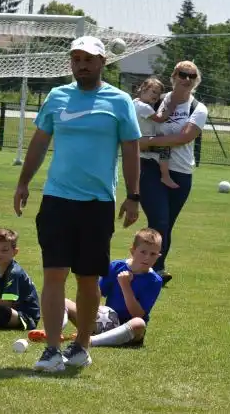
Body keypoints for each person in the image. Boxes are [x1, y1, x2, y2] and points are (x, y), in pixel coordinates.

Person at [15, 35, 141, 373]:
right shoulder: (57, 97)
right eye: (76, 59)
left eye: (89, 59)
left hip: (97, 204)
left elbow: (131, 149)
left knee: (88, 280)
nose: (82, 64)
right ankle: (52, 349)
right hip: (57, 200)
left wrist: (133, 196)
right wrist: (24, 182)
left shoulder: (119, 101)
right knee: (53, 274)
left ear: (102, 62)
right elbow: (40, 143)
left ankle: (81, 346)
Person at [29, 228, 164, 348]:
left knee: (139, 323)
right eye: (143, 252)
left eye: (153, 254)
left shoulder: (154, 280)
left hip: (128, 329)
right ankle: (53, 332)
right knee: (64, 302)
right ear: (133, 250)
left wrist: (125, 286)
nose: (147, 257)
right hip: (102, 321)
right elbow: (95, 293)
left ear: (158, 256)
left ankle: (90, 340)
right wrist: (97, 313)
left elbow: (138, 314)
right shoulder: (116, 267)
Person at [137, 60, 209, 284]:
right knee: (159, 221)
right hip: (149, 167)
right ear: (173, 76)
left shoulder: (198, 108)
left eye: (191, 75)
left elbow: (183, 138)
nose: (186, 79)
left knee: (166, 224)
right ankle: (156, 270)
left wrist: (146, 142)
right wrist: (136, 142)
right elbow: (138, 113)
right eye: (182, 74)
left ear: (196, 80)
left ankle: (144, 266)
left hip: (181, 173)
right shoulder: (158, 99)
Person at [134, 77, 178, 190]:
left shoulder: (134, 102)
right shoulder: (145, 108)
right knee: (164, 146)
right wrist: (170, 108)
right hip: (144, 141)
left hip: (136, 141)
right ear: (143, 89)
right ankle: (165, 176)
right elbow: (160, 119)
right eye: (153, 91)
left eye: (158, 94)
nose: (156, 96)